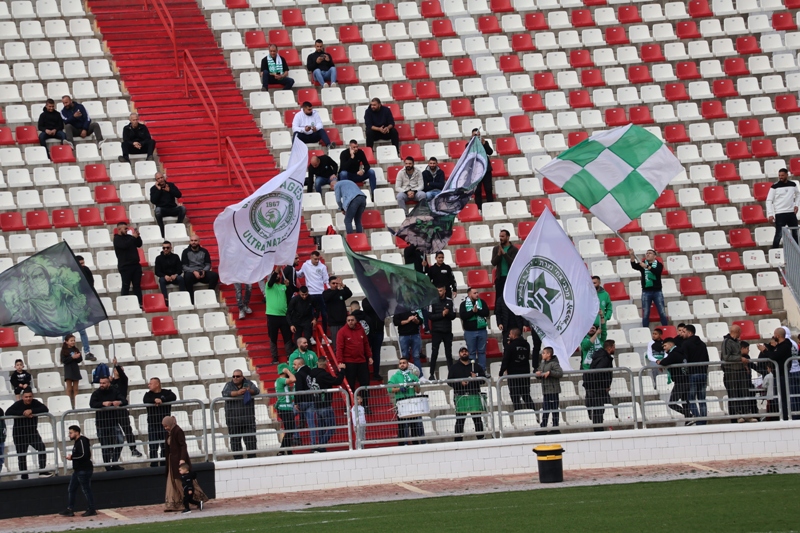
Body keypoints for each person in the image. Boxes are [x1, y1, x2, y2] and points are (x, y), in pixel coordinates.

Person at [163, 416, 208, 512]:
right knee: (175, 482)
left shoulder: (178, 431)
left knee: (182, 481)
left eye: (166, 426)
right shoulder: (169, 433)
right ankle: (176, 503)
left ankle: (196, 500)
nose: (165, 428)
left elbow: (183, 445)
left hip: (178, 461)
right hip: (172, 462)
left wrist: (182, 459)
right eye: (164, 426)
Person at [6, 391, 51, 478]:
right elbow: (8, 412)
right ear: (22, 397)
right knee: (22, 456)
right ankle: (24, 476)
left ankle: (42, 471)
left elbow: (45, 409)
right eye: (26, 397)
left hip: (32, 433)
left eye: (30, 396)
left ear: (32, 396)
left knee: (41, 448)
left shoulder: (35, 402)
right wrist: (23, 413)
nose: (28, 398)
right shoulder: (18, 404)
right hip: (19, 434)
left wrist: (31, 411)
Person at [308, 357, 347, 452]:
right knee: (331, 427)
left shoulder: (311, 374)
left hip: (316, 404)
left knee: (321, 428)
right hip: (325, 405)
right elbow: (337, 381)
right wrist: (342, 370)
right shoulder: (324, 375)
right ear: (325, 364)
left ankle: (321, 448)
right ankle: (320, 446)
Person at [721, 324, 758, 423]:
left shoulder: (737, 342)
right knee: (734, 393)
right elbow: (726, 357)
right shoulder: (726, 342)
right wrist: (740, 359)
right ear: (737, 332)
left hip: (740, 370)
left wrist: (743, 365)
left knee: (744, 392)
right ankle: (738, 415)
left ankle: (747, 414)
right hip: (731, 371)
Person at [449, 347, 487, 440]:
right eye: (462, 352)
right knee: (460, 420)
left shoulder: (476, 366)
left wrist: (476, 377)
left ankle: (481, 438)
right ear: (459, 354)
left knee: (477, 419)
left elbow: (483, 379)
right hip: (460, 396)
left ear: (468, 353)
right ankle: (458, 440)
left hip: (474, 395)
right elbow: (449, 381)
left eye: (466, 351)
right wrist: (460, 383)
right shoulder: (454, 367)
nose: (464, 353)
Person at [89, 376, 127, 470]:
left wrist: (119, 402)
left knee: (120, 441)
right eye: (100, 383)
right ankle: (107, 467)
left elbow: (124, 401)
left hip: (113, 422)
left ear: (109, 383)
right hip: (101, 424)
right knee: (105, 446)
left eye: (104, 383)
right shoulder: (96, 393)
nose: (101, 385)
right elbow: (92, 404)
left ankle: (114, 462)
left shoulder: (114, 391)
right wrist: (103, 404)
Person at [59, 425, 97, 517]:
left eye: (71, 433)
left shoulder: (82, 441)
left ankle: (91, 509)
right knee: (72, 489)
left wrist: (72, 457)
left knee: (86, 489)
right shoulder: (77, 442)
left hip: (84, 469)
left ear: (77, 432)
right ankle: (70, 509)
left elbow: (84, 455)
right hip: (78, 470)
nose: (69, 435)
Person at [221, 370, 260, 459]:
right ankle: (238, 461)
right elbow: (224, 393)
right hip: (233, 420)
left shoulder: (248, 383)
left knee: (251, 442)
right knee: (235, 442)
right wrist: (237, 393)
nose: (235, 378)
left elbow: (257, 391)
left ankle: (252, 461)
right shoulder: (229, 385)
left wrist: (249, 391)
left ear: (242, 377)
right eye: (234, 376)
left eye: (238, 376)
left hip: (248, 419)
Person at [337, 314, 373, 409]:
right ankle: (350, 405)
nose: (350, 322)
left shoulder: (361, 330)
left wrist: (369, 356)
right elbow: (339, 348)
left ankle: (365, 405)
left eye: (352, 320)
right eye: (348, 320)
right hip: (349, 362)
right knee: (350, 384)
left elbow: (366, 344)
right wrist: (340, 362)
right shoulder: (342, 332)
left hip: (361, 361)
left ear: (356, 321)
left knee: (365, 383)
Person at [758, 327, 793, 420]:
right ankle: (780, 416)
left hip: (782, 375)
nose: (773, 337)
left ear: (778, 335)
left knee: (783, 398)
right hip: (778, 375)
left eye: (774, 335)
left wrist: (764, 350)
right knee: (778, 398)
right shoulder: (780, 346)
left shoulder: (785, 346)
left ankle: (784, 416)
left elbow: (774, 356)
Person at [142, 377, 177, 467]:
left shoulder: (166, 392)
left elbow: (173, 397)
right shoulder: (148, 395)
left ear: (157, 384)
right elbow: (145, 400)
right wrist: (154, 400)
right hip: (153, 425)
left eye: (151, 383)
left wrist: (162, 400)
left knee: (165, 446)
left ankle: (164, 464)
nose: (148, 385)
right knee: (153, 447)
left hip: (165, 426)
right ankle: (153, 465)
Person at [110, 361, 143, 458]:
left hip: (121, 409)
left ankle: (133, 449)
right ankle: (111, 451)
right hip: (112, 410)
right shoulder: (111, 382)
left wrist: (116, 365)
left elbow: (123, 375)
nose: (120, 370)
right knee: (112, 432)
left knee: (127, 430)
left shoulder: (123, 380)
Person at [388, 357, 424, 445]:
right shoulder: (395, 376)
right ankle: (402, 444)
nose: (402, 364)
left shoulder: (413, 376)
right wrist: (399, 389)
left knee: (414, 425)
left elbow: (418, 391)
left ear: (408, 364)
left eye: (404, 363)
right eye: (400, 363)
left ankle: (415, 443)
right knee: (402, 425)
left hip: (412, 402)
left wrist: (415, 385)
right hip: (401, 403)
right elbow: (389, 389)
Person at [500, 328, 536, 411]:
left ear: (513, 335)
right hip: (525, 373)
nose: (509, 335)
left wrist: (501, 372)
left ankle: (518, 412)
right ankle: (533, 411)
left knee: (515, 395)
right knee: (526, 394)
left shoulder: (510, 346)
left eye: (510, 334)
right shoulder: (527, 344)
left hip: (513, 374)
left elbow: (506, 360)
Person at [630, 248, 668, 327]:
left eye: (650, 253)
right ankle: (645, 329)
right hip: (646, 291)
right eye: (647, 253)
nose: (647, 254)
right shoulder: (643, 264)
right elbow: (634, 266)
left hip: (657, 291)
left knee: (662, 311)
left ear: (654, 256)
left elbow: (657, 272)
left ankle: (665, 328)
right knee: (646, 312)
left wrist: (647, 266)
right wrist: (632, 255)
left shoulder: (659, 264)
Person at [584, 339, 615, 431]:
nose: (615, 349)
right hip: (597, 388)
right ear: (609, 348)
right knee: (598, 410)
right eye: (614, 347)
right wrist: (605, 386)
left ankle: (598, 429)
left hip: (594, 387)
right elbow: (599, 372)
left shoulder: (600, 356)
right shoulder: (604, 358)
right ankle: (598, 430)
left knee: (598, 409)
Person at [659, 337, 692, 422]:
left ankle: (690, 416)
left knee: (672, 403)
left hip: (680, 381)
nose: (664, 348)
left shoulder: (673, 353)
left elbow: (664, 362)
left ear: (670, 345)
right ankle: (688, 420)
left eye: (665, 346)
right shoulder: (681, 352)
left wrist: (659, 362)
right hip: (686, 379)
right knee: (685, 402)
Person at [682, 324, 709, 425]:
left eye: (684, 332)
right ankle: (703, 421)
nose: (682, 334)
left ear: (689, 333)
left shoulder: (686, 344)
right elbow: (707, 359)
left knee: (691, 399)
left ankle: (698, 419)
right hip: (703, 373)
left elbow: (685, 360)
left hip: (693, 373)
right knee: (702, 399)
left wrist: (685, 372)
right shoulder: (702, 344)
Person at [297, 251, 330, 336]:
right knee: (310, 315)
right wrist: (292, 270)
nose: (317, 261)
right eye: (315, 259)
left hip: (321, 293)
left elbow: (326, 280)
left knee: (324, 314)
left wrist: (329, 290)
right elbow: (300, 275)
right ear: (311, 257)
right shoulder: (305, 265)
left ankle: (324, 335)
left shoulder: (322, 267)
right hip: (310, 293)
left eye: (318, 259)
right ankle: (310, 335)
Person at [266, 266, 294, 363]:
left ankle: (289, 355)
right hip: (272, 316)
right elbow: (271, 281)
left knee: (287, 336)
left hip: (283, 316)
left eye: (278, 274)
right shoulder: (268, 286)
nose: (277, 275)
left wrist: (288, 286)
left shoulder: (283, 286)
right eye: (275, 275)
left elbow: (290, 295)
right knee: (273, 337)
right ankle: (274, 357)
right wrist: (276, 271)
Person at [766, 167, 800, 247]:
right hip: (780, 213)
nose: (780, 177)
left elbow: (798, 195)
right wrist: (770, 214)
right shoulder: (774, 186)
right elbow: (769, 200)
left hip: (791, 212)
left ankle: (797, 251)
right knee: (779, 234)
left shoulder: (793, 185)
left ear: (787, 175)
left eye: (782, 175)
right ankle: (774, 251)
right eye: (779, 175)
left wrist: (796, 205)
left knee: (795, 233)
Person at [428, 286, 456, 379]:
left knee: (448, 354)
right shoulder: (432, 301)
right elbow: (430, 316)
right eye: (437, 291)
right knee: (434, 353)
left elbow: (453, 316)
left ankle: (451, 375)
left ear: (444, 291)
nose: (439, 292)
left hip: (447, 331)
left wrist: (448, 314)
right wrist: (442, 314)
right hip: (436, 332)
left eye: (440, 291)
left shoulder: (450, 301)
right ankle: (431, 374)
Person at [181, 235, 219, 301]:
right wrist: (194, 271)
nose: (193, 242)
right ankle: (191, 298)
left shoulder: (204, 251)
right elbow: (184, 266)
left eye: (195, 241)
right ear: (190, 242)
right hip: (191, 273)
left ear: (199, 241)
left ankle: (209, 295)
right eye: (192, 240)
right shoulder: (185, 252)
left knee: (214, 275)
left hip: (202, 272)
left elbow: (208, 264)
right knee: (187, 276)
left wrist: (204, 271)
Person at [113, 221, 143, 306]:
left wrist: (137, 236)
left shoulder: (129, 237)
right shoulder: (117, 239)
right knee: (126, 286)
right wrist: (133, 237)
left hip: (135, 265)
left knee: (137, 286)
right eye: (125, 228)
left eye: (127, 228)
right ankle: (124, 304)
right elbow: (124, 245)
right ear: (119, 229)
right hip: (125, 266)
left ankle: (139, 303)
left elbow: (139, 244)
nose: (127, 230)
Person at [460, 288, 490, 369]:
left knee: (482, 352)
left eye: (477, 292)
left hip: (482, 330)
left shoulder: (482, 302)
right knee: (471, 352)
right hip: (469, 332)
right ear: (469, 294)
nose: (477, 294)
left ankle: (482, 370)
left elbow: (486, 313)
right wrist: (472, 312)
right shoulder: (463, 304)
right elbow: (463, 316)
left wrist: (477, 311)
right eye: (475, 293)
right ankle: (472, 370)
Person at [535, 347, 563, 434]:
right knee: (545, 409)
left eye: (544, 353)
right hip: (546, 390)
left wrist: (550, 373)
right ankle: (543, 427)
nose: (542, 354)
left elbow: (560, 373)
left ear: (549, 354)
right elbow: (539, 371)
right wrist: (538, 374)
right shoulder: (543, 363)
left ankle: (555, 427)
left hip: (553, 390)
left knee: (554, 409)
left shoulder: (554, 363)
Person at [150, 172, 186, 238]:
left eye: (161, 177)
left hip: (172, 208)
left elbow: (179, 195)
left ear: (164, 178)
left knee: (183, 208)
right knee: (157, 210)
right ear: (156, 180)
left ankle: (178, 225)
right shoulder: (153, 189)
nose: (160, 179)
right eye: (158, 178)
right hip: (162, 209)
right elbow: (153, 201)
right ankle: (162, 231)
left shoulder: (170, 185)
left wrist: (169, 190)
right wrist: (159, 190)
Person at [74, 255, 96, 362]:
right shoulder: (70, 273)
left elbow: (91, 284)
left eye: (83, 263)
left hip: (81, 304)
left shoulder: (86, 270)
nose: (83, 265)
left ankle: (87, 352)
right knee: (67, 331)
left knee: (82, 330)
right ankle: (67, 352)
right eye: (81, 263)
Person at [323, 276, 353, 350]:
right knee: (336, 344)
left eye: (336, 283)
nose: (335, 285)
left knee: (346, 342)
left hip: (343, 322)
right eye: (333, 283)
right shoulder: (326, 293)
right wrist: (337, 290)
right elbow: (327, 298)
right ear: (329, 284)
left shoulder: (340, 292)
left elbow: (349, 293)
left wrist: (343, 285)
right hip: (333, 323)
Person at [274, 364, 297, 454]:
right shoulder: (280, 380)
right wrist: (287, 371)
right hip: (285, 409)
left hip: (286, 408)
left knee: (290, 430)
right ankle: (282, 451)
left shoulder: (280, 381)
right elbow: (293, 379)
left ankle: (288, 451)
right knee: (290, 430)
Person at [361, 299, 384, 381]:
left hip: (379, 331)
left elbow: (386, 306)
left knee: (376, 353)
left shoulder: (380, 299)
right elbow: (366, 308)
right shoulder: (366, 301)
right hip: (369, 332)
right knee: (366, 353)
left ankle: (376, 373)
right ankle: (365, 372)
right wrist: (375, 302)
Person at [491, 229, 518, 296]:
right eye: (500, 236)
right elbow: (493, 263)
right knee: (499, 298)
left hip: (510, 278)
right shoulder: (496, 249)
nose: (501, 238)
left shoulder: (514, 249)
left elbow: (513, 262)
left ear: (508, 237)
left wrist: (504, 254)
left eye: (502, 236)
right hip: (500, 278)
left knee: (509, 296)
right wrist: (498, 255)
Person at [472, 129, 494, 209]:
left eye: (478, 135)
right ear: (472, 136)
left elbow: (490, 152)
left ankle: (491, 207)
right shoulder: (469, 144)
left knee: (488, 189)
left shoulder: (485, 143)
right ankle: (479, 208)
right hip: (476, 171)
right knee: (477, 191)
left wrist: (484, 144)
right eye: (475, 135)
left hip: (486, 170)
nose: (477, 136)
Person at [61, 334, 82, 409]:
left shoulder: (75, 349)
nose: (73, 342)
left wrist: (78, 357)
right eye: (71, 341)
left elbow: (80, 360)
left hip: (75, 369)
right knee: (69, 389)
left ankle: (77, 405)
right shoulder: (64, 350)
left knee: (76, 389)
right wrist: (72, 357)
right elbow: (64, 360)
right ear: (66, 341)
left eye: (74, 340)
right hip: (68, 370)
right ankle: (68, 405)